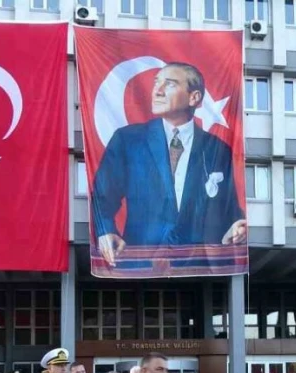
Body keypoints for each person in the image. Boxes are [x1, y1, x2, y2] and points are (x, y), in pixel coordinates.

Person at [91, 62, 246, 267]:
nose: (158, 90)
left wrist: (237, 223)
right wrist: (106, 230)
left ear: (194, 97)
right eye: (157, 83)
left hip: (196, 268)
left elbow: (227, 205)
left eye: (170, 84)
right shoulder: (128, 140)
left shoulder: (217, 148)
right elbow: (102, 195)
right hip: (139, 264)